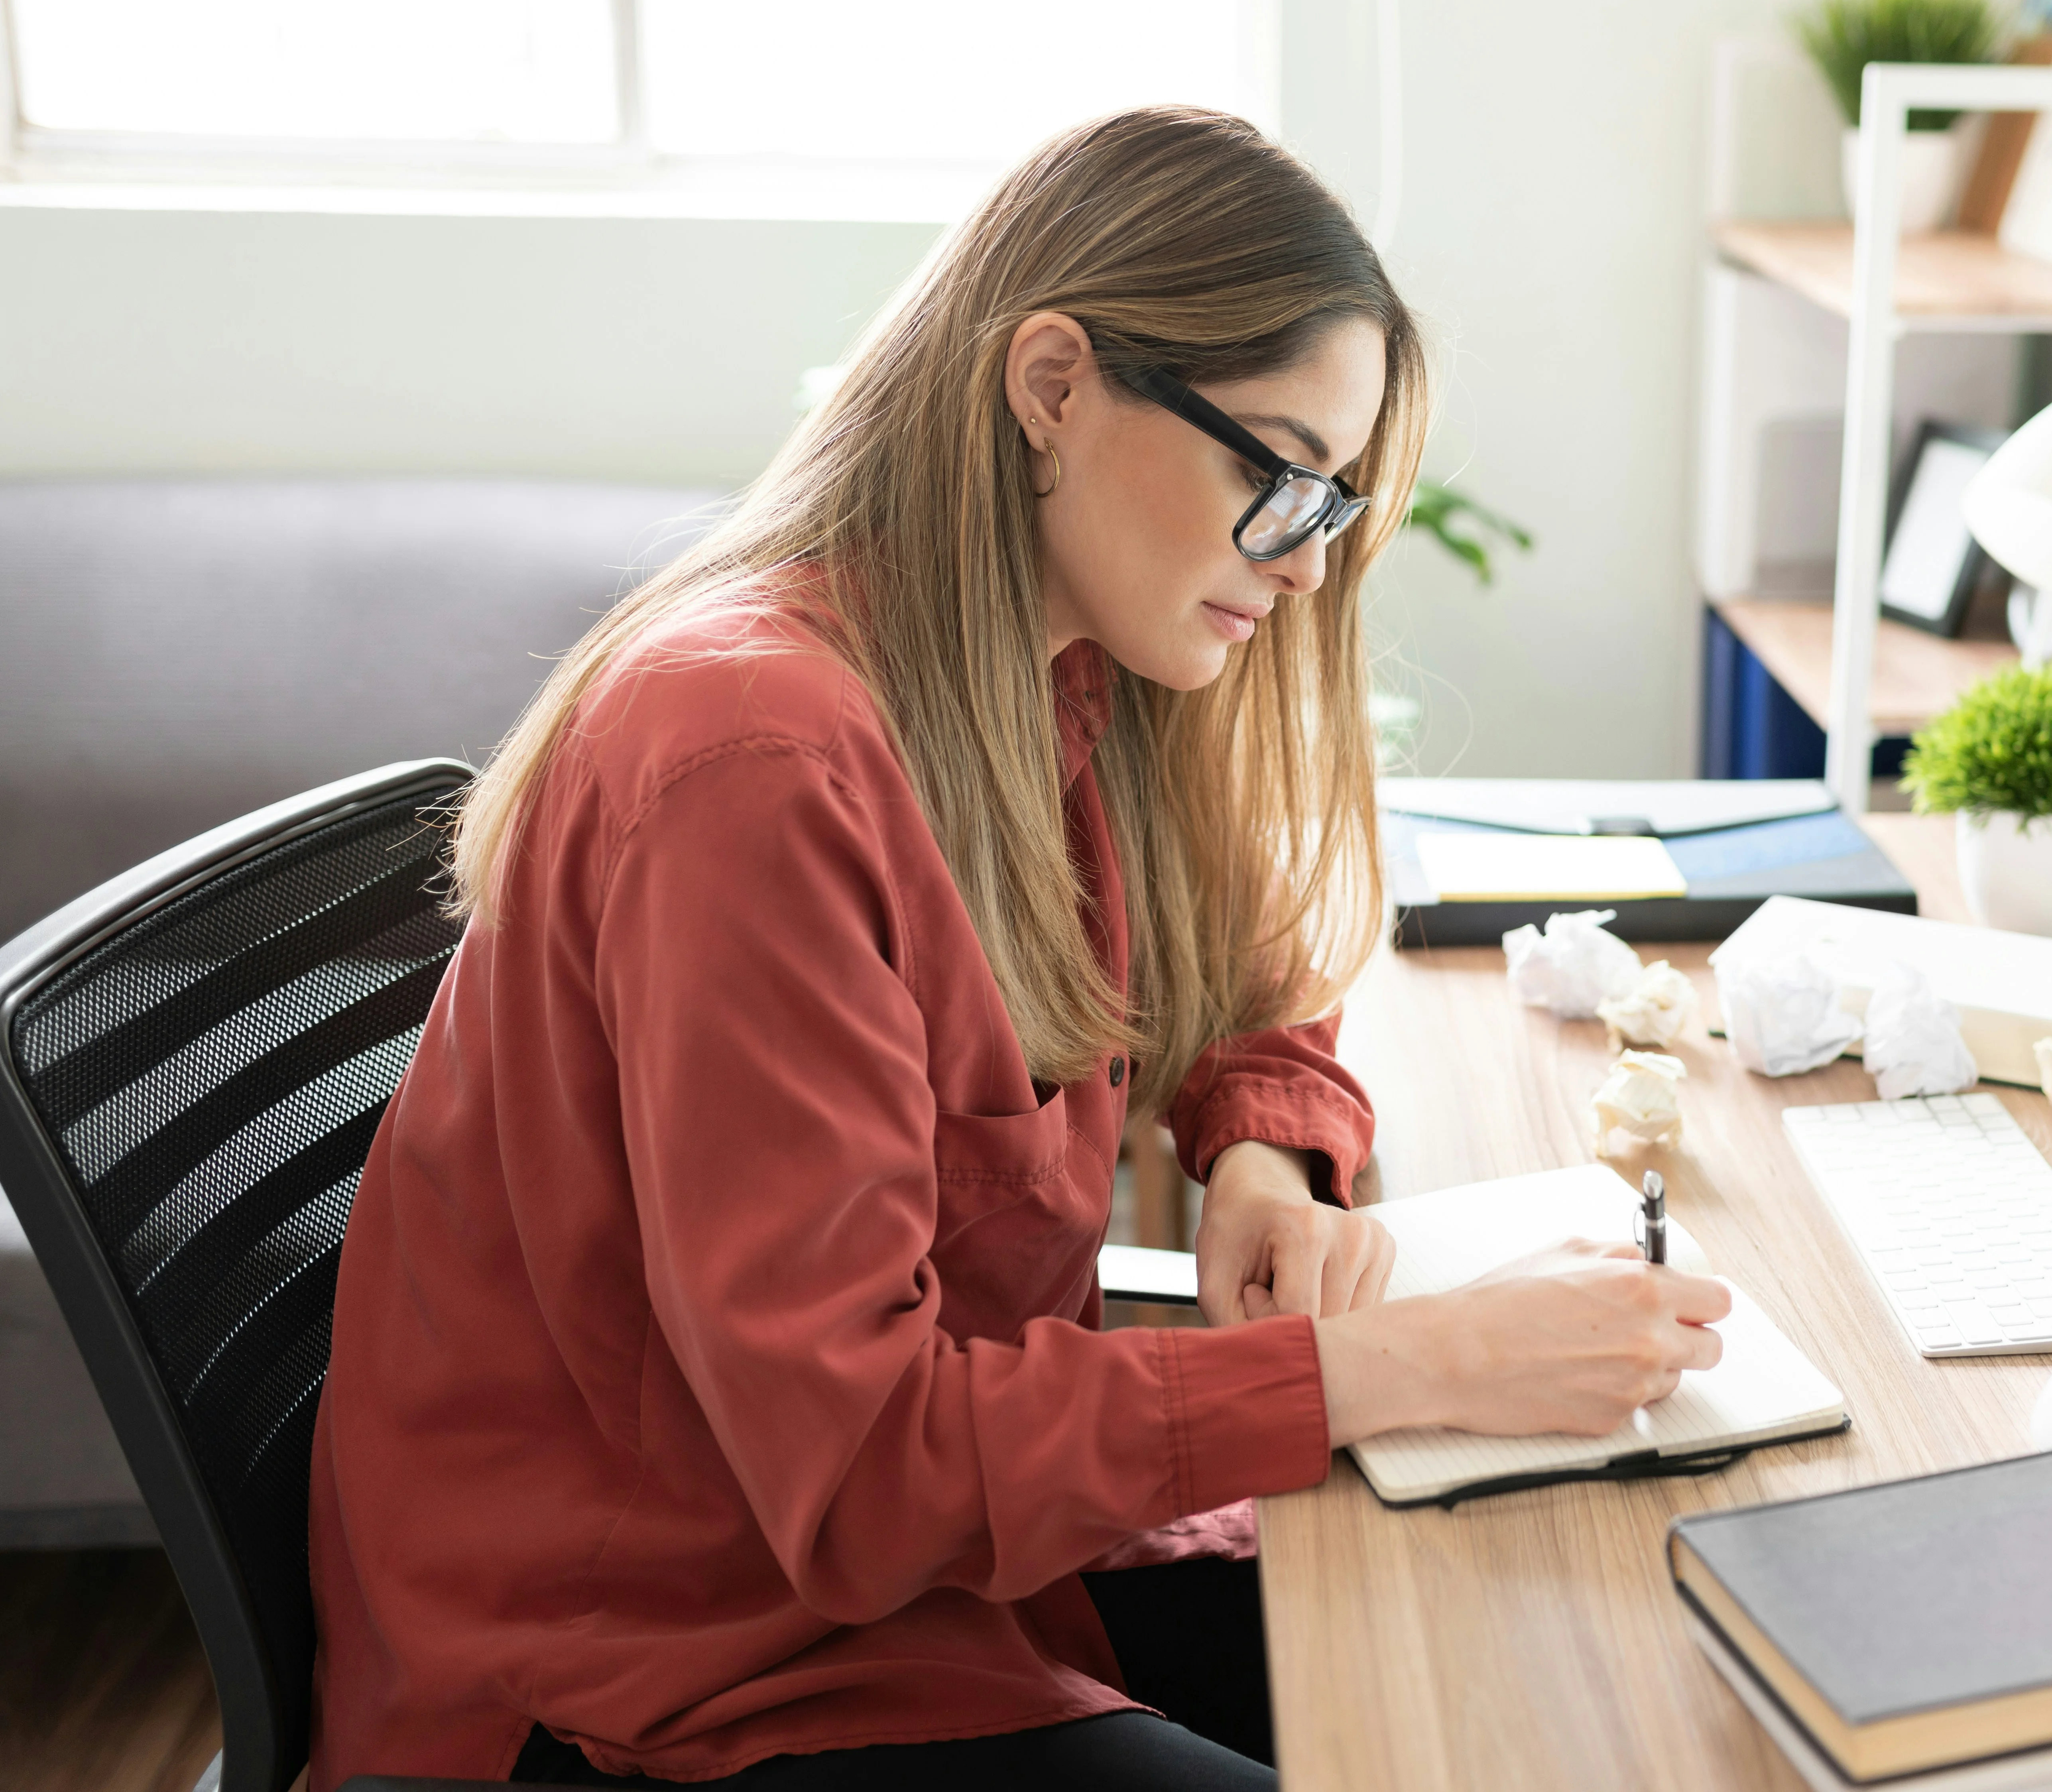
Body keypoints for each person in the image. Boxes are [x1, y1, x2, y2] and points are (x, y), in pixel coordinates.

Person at [308, 107, 1732, 1791]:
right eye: (1272, 471)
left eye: (1331, 504)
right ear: (1052, 384)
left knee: (1560, 1659)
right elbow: (854, 1476)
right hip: (664, 1666)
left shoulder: (1063, 663)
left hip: (924, 1578)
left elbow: (1250, 961)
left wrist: (1267, 1158)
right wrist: (1388, 1365)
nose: (1298, 555)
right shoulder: (755, 761)